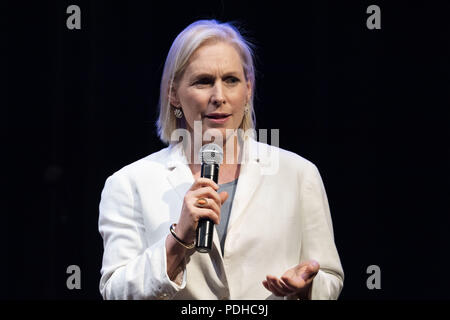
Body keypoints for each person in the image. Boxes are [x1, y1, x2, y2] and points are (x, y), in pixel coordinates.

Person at [98, 19, 344, 300]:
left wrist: (307, 286)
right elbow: (115, 291)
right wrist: (177, 242)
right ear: (173, 93)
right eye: (203, 82)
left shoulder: (298, 174)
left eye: (231, 80)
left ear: (248, 88)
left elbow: (329, 277)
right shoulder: (129, 183)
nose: (219, 96)